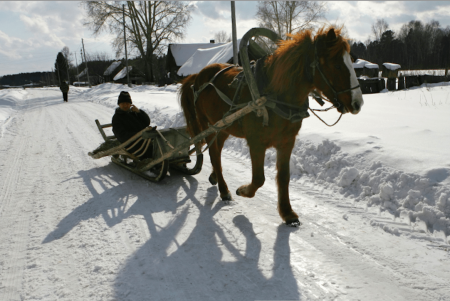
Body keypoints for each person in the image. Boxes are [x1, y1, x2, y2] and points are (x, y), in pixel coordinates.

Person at [112, 91, 153, 158]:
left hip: (142, 139)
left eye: (127, 103)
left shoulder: (133, 113)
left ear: (130, 104)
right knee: (151, 149)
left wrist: (139, 112)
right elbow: (121, 135)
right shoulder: (117, 118)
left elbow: (146, 123)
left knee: (160, 143)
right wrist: (138, 135)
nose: (125, 105)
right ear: (119, 104)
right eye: (123, 103)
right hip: (131, 144)